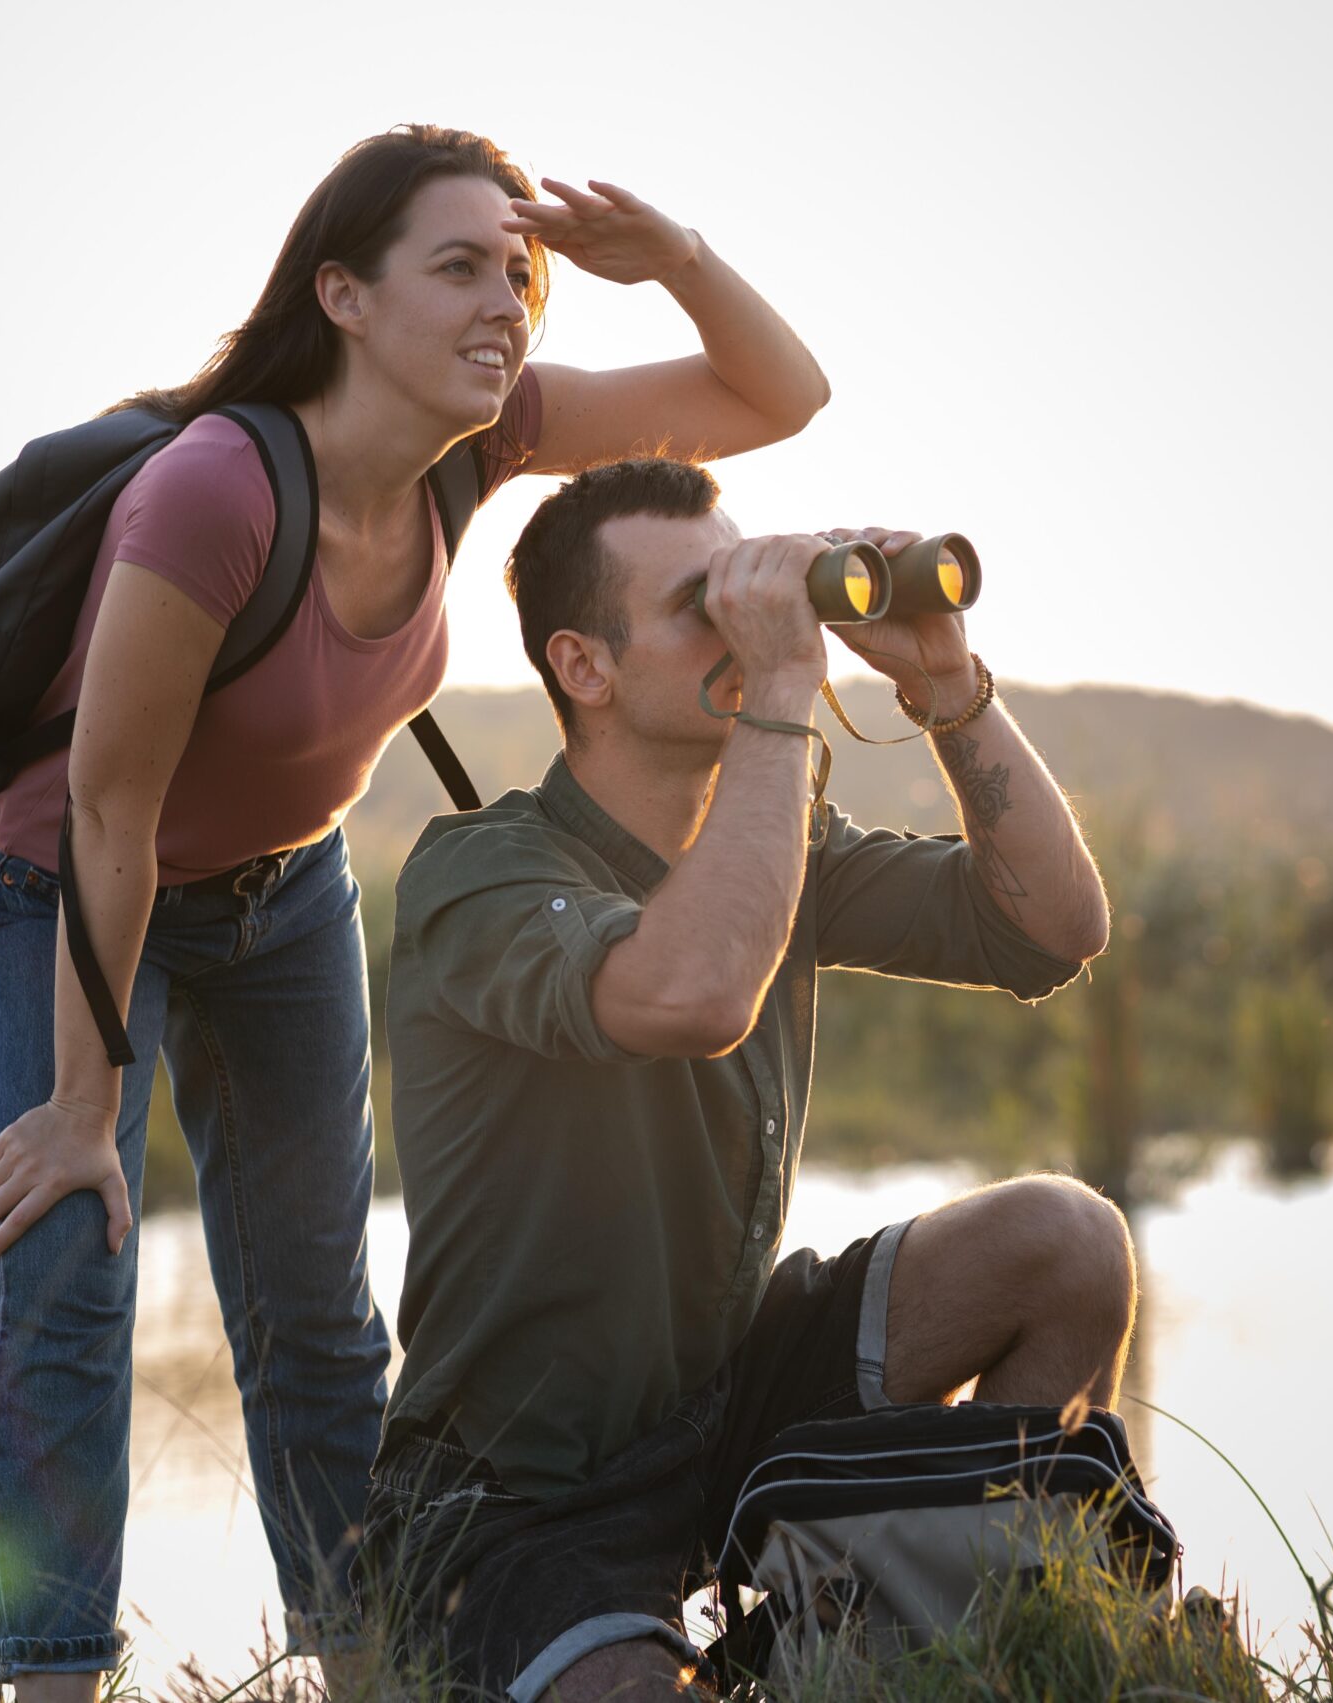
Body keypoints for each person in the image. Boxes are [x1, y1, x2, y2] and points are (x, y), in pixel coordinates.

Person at [0, 127, 830, 1697]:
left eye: (521, 271)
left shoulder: (483, 441)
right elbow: (112, 810)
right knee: (69, 1256)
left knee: (318, 1316)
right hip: (56, 887)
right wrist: (86, 1108)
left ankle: (371, 1671)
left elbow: (779, 397)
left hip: (281, 900)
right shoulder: (214, 491)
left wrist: (670, 253)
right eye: (461, 266)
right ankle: (55, 1679)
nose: (510, 303)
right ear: (341, 294)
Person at [360, 457, 1135, 1701]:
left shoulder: (782, 846)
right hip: (518, 1488)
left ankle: (928, 1629)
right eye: (698, 603)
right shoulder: (479, 871)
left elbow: (1054, 925)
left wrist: (946, 684)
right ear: (584, 665)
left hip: (726, 1401)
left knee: (1068, 1242)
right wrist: (781, 690)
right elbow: (695, 992)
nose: (745, 622)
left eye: (747, 586)